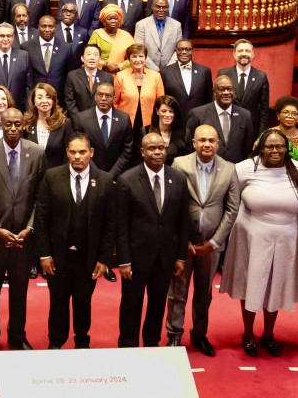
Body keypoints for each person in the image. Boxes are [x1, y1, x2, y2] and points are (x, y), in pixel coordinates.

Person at [220, 129, 298, 358]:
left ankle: (269, 334)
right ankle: (248, 334)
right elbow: (232, 199)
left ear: (287, 148)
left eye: (280, 146)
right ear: (260, 148)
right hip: (252, 237)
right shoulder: (244, 168)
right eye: (270, 146)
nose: (275, 150)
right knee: (251, 284)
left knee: (277, 285)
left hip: (287, 238)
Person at [35, 132, 115, 349]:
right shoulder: (52, 177)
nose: (77, 156)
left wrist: (104, 259)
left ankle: (82, 341)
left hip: (88, 257)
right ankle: (56, 342)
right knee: (58, 302)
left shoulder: (106, 181)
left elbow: (110, 225)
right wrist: (44, 254)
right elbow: (41, 219)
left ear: (91, 153)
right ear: (67, 153)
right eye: (73, 152)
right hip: (58, 256)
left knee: (83, 302)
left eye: (82, 152)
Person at [164, 125, 238, 355]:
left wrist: (215, 242)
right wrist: (180, 239)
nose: (207, 144)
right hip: (183, 243)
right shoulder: (179, 164)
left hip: (211, 245)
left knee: (204, 292)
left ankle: (199, 335)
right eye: (202, 140)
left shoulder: (230, 169)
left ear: (218, 144)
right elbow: (171, 205)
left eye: (211, 140)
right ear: (194, 142)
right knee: (177, 290)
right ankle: (174, 334)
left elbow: (232, 209)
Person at [115, 133, 191, 348]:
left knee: (158, 304)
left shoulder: (178, 179)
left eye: (161, 148)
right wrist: (124, 260)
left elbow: (183, 221)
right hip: (136, 257)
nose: (157, 152)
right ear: (142, 151)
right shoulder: (127, 180)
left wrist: (180, 257)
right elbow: (121, 224)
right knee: (131, 304)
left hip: (165, 256)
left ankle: (151, 343)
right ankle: (128, 345)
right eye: (152, 148)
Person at [0, 108, 43, 351]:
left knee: (20, 289)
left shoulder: (36, 153)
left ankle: (17, 335)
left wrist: (30, 227)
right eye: (8, 124)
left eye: (18, 124)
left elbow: (40, 195)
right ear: (0, 124)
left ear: (23, 125)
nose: (13, 128)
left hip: (24, 236)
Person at [184, 75, 256, 164]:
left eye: (229, 89)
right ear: (214, 92)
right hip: (205, 168)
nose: (226, 92)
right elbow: (189, 147)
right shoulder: (197, 114)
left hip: (236, 169)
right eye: (221, 89)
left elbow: (248, 149)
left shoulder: (245, 115)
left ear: (234, 91)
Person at [75, 82, 134, 180]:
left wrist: (111, 175)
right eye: (100, 95)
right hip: (89, 175)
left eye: (108, 96)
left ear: (114, 99)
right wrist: (97, 174)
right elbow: (81, 149)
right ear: (95, 97)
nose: (103, 98)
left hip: (116, 176)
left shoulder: (124, 119)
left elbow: (127, 151)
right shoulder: (82, 119)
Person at [219, 39, 271, 134]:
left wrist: (261, 135)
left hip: (251, 129)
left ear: (253, 54)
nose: (244, 54)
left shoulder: (261, 76)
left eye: (247, 51)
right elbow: (216, 103)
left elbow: (264, 110)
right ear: (234, 54)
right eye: (240, 51)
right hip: (228, 128)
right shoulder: (223, 74)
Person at [113, 43, 165, 136]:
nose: (138, 60)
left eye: (141, 56)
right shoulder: (120, 76)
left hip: (150, 124)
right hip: (125, 124)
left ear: (145, 58)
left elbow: (161, 102)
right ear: (129, 59)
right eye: (134, 56)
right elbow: (114, 102)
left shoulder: (155, 76)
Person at [24, 14, 75, 100]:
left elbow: (69, 76)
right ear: (38, 27)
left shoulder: (66, 48)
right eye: (43, 26)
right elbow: (26, 77)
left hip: (58, 99)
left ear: (55, 28)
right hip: (35, 99)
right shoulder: (27, 47)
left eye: (50, 26)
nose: (47, 30)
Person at [24, 82, 73, 169]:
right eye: (40, 97)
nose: (44, 101)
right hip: (32, 177)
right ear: (34, 101)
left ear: (53, 101)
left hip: (56, 177)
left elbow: (67, 155)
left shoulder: (64, 124)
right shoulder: (27, 124)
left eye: (48, 97)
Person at [160, 39, 213, 114]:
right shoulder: (165, 72)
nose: (184, 52)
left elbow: (209, 100)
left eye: (188, 49)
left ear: (192, 51)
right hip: (175, 119)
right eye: (180, 49)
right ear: (176, 51)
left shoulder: (204, 71)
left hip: (199, 119)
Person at [133, 0, 182, 72]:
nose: (161, 10)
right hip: (147, 70)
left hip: (170, 70)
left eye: (164, 7)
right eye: (158, 7)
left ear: (168, 8)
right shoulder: (141, 25)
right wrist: (155, 70)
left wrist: (168, 69)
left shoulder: (176, 25)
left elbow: (179, 49)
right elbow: (139, 50)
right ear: (152, 7)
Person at [64, 44, 113, 117]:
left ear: (99, 59)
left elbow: (108, 102)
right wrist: (79, 120)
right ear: (82, 58)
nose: (92, 58)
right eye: (89, 54)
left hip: (98, 120)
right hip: (77, 120)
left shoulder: (108, 78)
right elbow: (69, 102)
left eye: (95, 55)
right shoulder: (72, 76)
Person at [88, 4, 136, 73]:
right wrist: (105, 64)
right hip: (101, 72)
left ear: (119, 21)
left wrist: (120, 67)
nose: (113, 21)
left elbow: (135, 56)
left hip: (122, 73)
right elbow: (89, 55)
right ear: (104, 22)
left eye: (115, 19)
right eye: (109, 19)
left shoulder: (126, 36)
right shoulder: (97, 34)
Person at [144, 95, 190, 165]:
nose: (167, 115)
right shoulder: (145, 131)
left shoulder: (185, 133)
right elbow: (139, 161)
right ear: (157, 111)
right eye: (164, 111)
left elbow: (187, 161)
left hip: (176, 174)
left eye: (171, 111)